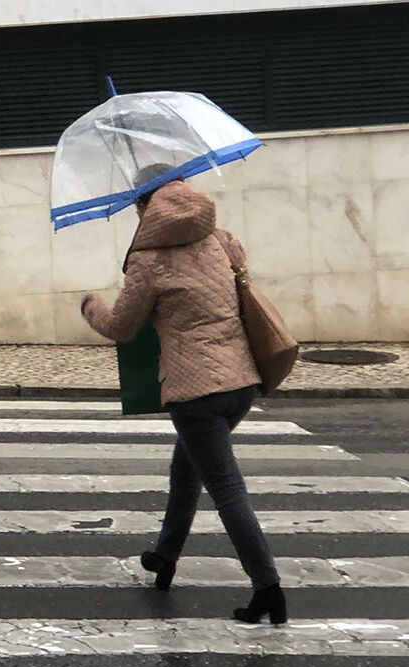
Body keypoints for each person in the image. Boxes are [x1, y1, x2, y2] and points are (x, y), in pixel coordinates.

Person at [79, 174, 286, 625]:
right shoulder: (222, 240)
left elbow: (121, 327)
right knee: (186, 467)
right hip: (240, 383)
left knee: (227, 489)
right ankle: (165, 555)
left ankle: (267, 587)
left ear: (145, 207)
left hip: (196, 392)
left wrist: (91, 306)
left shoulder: (148, 260)